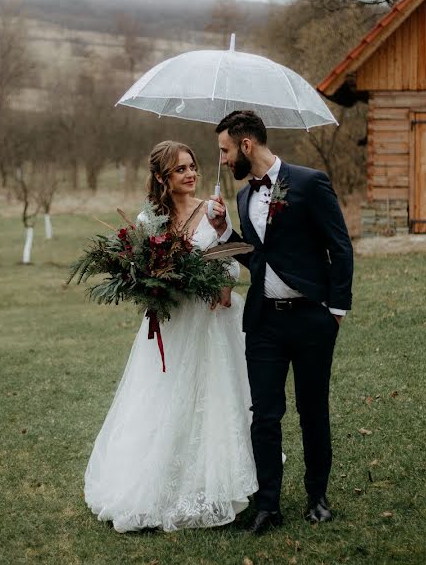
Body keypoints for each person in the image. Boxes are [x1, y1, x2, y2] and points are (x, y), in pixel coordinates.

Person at [84, 140, 258, 533]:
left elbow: (232, 261)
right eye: (181, 169)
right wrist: (151, 286)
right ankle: (152, 485)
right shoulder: (151, 221)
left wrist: (226, 284)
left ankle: (213, 484)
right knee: (163, 399)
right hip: (173, 322)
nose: (191, 173)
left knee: (211, 399)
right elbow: (141, 273)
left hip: (211, 323)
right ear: (163, 177)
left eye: (193, 166)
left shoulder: (212, 209)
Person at [208, 110, 354, 534]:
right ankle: (268, 506)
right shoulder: (241, 198)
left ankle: (317, 498)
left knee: (313, 411)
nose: (222, 159)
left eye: (225, 150)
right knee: (264, 415)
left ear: (246, 145)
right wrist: (223, 233)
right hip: (264, 323)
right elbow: (257, 258)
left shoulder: (309, 183)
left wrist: (337, 311)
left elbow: (340, 247)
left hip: (312, 319)